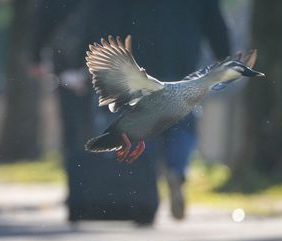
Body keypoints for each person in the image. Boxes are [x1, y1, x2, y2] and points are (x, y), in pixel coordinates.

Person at [32, 0, 231, 221]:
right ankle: (178, 168)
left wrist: (92, 58)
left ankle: (143, 190)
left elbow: (104, 14)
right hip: (181, 59)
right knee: (182, 119)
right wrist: (223, 53)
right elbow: (214, 19)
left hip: (140, 58)